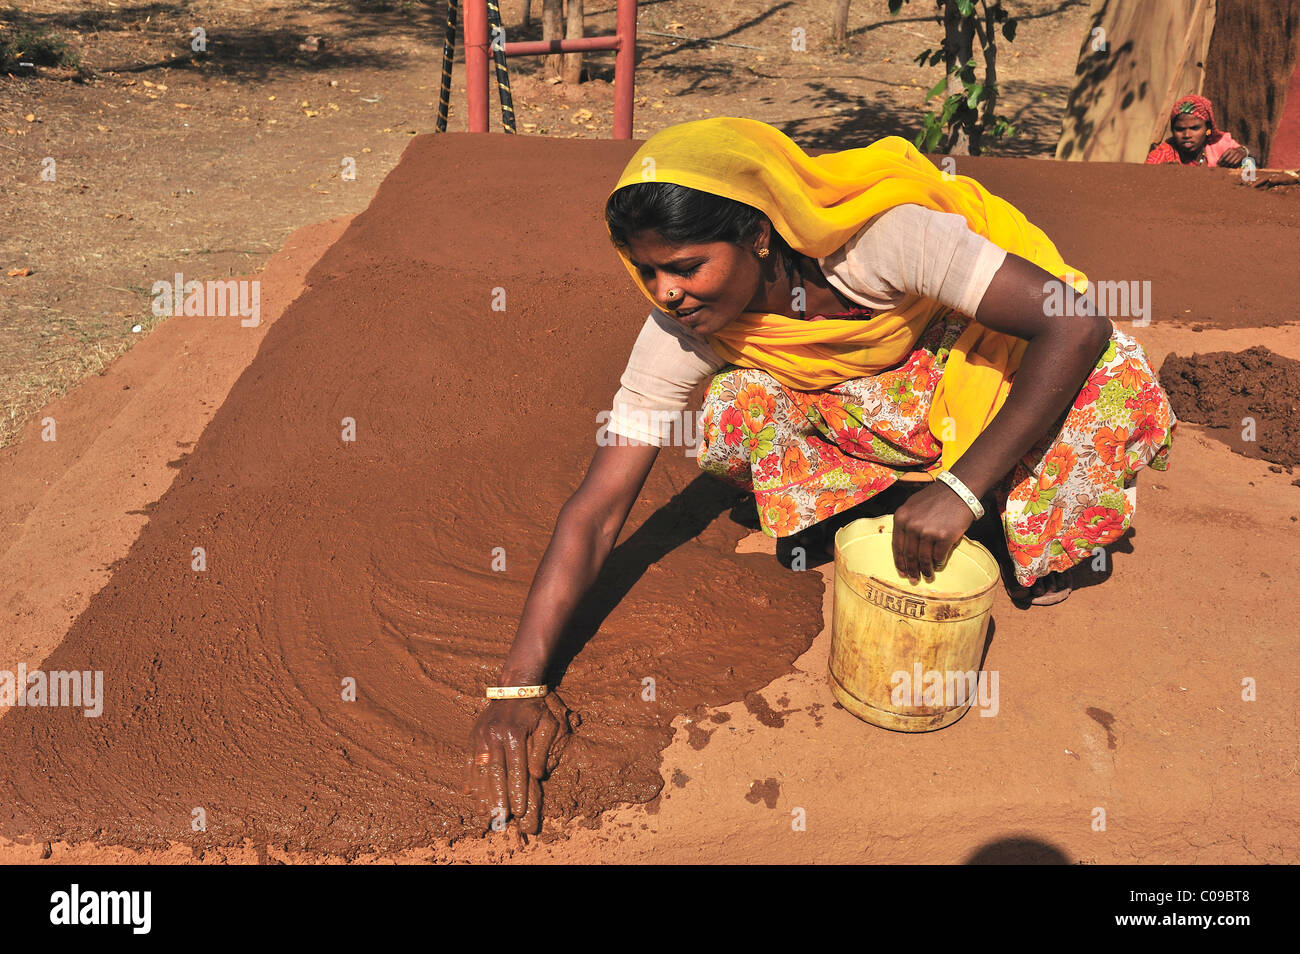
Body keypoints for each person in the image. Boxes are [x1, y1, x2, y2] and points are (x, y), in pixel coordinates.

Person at [465, 117, 1176, 834]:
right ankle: (891, 498)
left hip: (972, 368)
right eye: (648, 272)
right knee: (740, 401)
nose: (667, 292)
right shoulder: (683, 331)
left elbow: (1075, 325)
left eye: (685, 266)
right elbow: (597, 508)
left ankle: (1004, 506)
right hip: (879, 403)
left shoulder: (885, 240)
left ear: (759, 237)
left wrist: (961, 490)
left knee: (1110, 377)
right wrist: (520, 683)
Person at [1146, 93, 1250, 167]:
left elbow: (1255, 157)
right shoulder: (1162, 155)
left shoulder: (1219, 145)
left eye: (1194, 128)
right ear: (1172, 131)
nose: (1186, 135)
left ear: (1208, 128)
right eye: (1180, 129)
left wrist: (1243, 152)